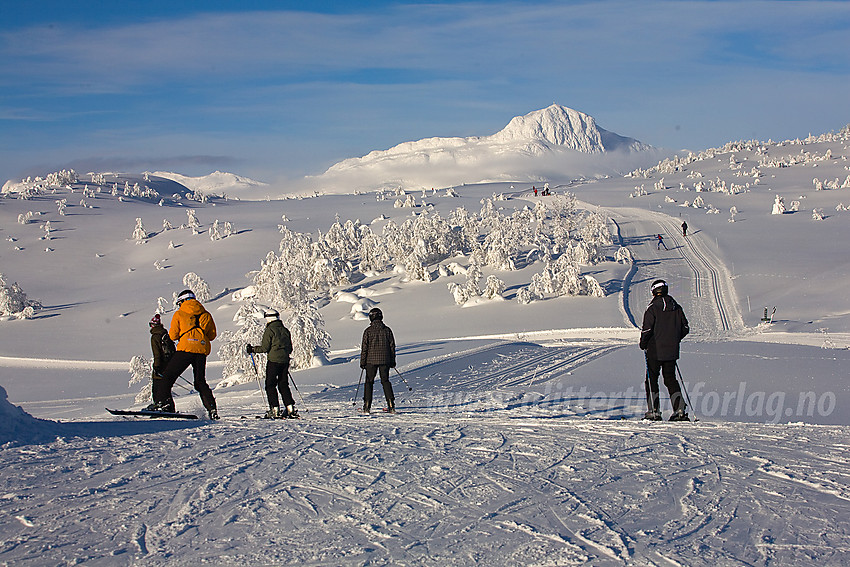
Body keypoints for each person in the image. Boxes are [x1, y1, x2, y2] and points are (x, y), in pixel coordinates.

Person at [152, 290, 219, 419]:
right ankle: (212, 409)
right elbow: (212, 335)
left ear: (182, 301)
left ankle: (162, 404)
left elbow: (173, 335)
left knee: (168, 376)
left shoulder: (179, 313)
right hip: (201, 351)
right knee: (200, 382)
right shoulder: (206, 314)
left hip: (185, 349)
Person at [640, 279, 690, 421]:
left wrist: (643, 343)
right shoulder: (677, 307)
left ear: (654, 291)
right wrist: (674, 339)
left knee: (651, 379)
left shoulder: (652, 308)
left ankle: (654, 411)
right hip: (671, 350)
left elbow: (647, 329)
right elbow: (685, 328)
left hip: (654, 349)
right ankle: (679, 410)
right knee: (670, 379)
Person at [247, 310, 298, 419]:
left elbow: (265, 348)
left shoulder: (269, 330)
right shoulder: (285, 330)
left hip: (273, 361)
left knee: (270, 385)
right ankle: (290, 408)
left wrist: (253, 349)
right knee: (283, 384)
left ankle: (275, 409)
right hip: (284, 361)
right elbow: (290, 348)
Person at [360, 307, 396, 413]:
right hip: (385, 361)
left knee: (369, 382)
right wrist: (392, 361)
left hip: (370, 361)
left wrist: (362, 362)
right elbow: (392, 347)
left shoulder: (367, 331)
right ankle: (391, 404)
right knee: (385, 381)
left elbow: (364, 349)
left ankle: (367, 406)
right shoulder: (387, 330)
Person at [147, 314, 174, 410]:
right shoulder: (165, 334)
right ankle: (169, 407)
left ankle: (159, 405)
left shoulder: (155, 337)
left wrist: (156, 367)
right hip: (169, 363)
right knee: (165, 386)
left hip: (161, 365)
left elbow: (157, 354)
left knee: (157, 387)